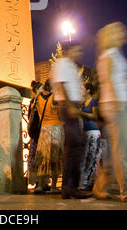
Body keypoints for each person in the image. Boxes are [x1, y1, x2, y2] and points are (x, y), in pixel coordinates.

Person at [93, 22, 127, 203]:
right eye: (121, 32)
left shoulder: (114, 54)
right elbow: (111, 82)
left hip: (121, 103)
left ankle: (108, 184)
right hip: (116, 104)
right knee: (124, 149)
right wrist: (120, 104)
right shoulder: (108, 55)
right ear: (112, 35)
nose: (124, 35)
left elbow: (116, 78)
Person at [50, 41, 92, 199]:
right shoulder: (63, 64)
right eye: (77, 49)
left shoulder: (70, 65)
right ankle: (70, 186)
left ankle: (69, 187)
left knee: (73, 147)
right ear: (70, 50)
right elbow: (63, 84)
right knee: (75, 147)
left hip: (71, 106)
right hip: (68, 107)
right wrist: (71, 105)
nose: (79, 52)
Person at [34, 79, 64, 194]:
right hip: (56, 127)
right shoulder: (55, 97)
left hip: (43, 129)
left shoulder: (38, 98)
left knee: (43, 157)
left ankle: (40, 185)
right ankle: (54, 187)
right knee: (55, 157)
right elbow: (60, 113)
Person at [79, 83, 101, 191]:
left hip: (93, 132)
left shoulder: (93, 101)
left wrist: (82, 114)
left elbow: (95, 116)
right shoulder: (82, 103)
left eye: (82, 88)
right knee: (84, 158)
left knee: (92, 158)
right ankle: (83, 183)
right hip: (85, 132)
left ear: (88, 90)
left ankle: (90, 183)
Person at [27, 81, 43, 187]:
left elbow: (29, 117)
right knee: (40, 157)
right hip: (40, 131)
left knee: (35, 157)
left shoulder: (32, 102)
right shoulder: (38, 101)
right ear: (37, 90)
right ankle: (41, 181)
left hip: (34, 132)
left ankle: (37, 181)